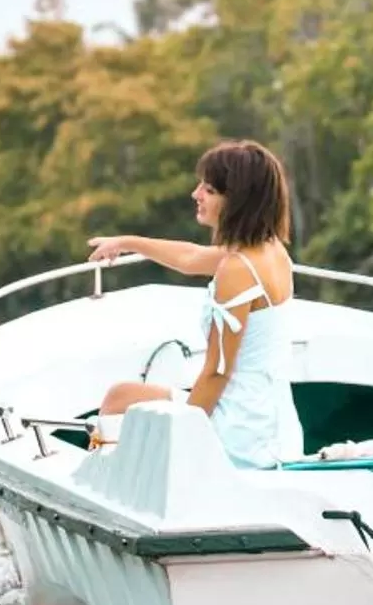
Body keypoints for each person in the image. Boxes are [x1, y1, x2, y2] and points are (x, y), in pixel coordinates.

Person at [86, 140, 305, 469]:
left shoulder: (238, 270)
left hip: (240, 430)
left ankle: (112, 480)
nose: (196, 194)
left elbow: (217, 373)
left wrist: (188, 445)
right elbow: (190, 257)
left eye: (209, 189)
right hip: (274, 423)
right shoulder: (270, 250)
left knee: (120, 398)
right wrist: (128, 242)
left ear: (237, 199)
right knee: (123, 396)